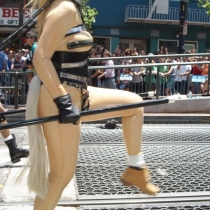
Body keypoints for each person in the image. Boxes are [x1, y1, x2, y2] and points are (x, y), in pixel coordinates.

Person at [20, 0, 159, 209]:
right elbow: (40, 58)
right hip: (60, 97)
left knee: (134, 104)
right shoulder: (64, 8)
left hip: (78, 92)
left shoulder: (66, 7)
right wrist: (63, 100)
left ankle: (136, 169)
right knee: (60, 176)